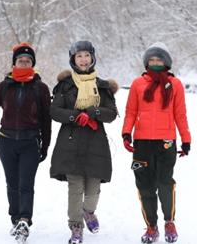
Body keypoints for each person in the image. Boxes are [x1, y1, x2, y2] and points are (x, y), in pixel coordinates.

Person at [49, 40, 118, 244]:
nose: (83, 59)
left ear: (92, 58)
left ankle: (88, 212)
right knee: (75, 186)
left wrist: (92, 112)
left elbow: (112, 113)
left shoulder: (102, 86)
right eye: (79, 56)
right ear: (73, 59)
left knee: (93, 187)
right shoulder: (65, 85)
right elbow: (54, 111)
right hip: (70, 141)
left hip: (96, 141)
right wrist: (75, 116)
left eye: (86, 55)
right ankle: (76, 226)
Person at [122, 46, 192, 244]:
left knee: (164, 183)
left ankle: (169, 222)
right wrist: (126, 133)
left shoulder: (175, 84)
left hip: (166, 142)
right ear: (146, 63)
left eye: (158, 60)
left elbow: (180, 114)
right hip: (142, 142)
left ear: (166, 62)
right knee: (144, 186)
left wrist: (186, 139)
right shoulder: (137, 84)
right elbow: (131, 112)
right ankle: (151, 226)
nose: (155, 64)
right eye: (151, 61)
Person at [0, 43, 52, 242]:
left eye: (28, 61)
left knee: (26, 184)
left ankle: (24, 219)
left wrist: (45, 145)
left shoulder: (40, 88)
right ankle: (15, 219)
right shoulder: (4, 86)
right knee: (12, 183)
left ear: (33, 64)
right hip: (6, 143)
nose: (24, 63)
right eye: (20, 60)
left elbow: (46, 120)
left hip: (30, 142)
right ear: (14, 63)